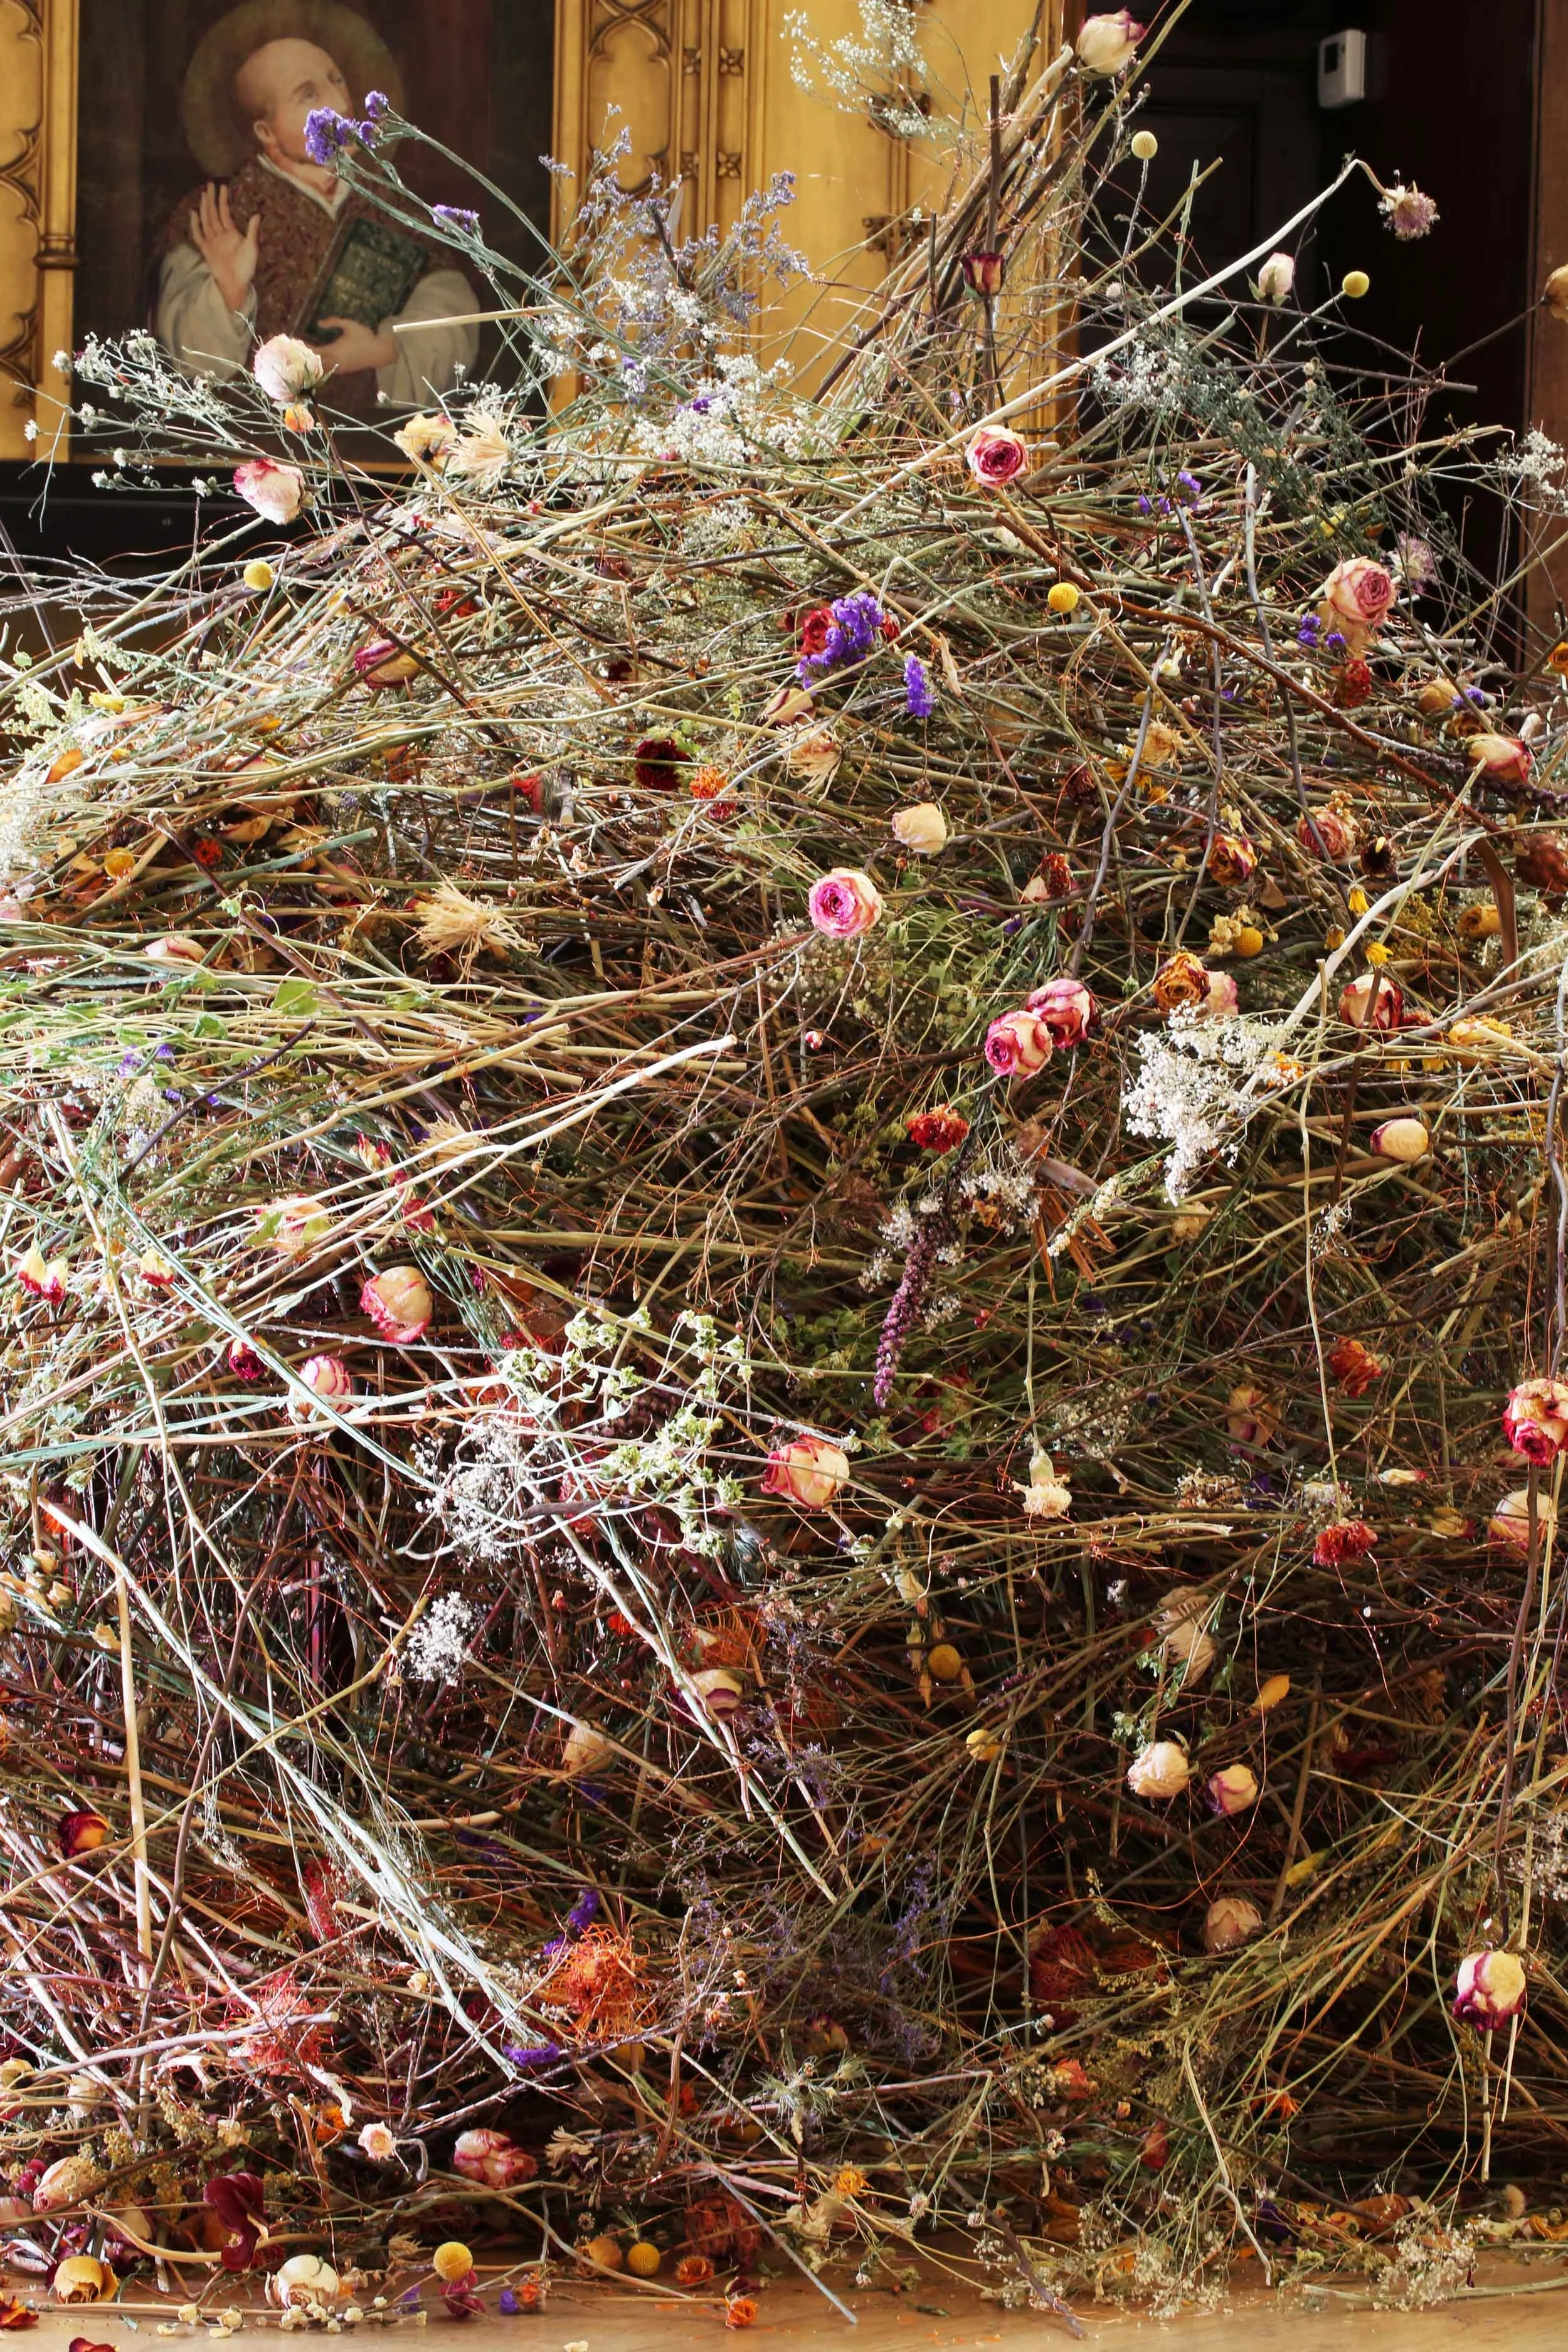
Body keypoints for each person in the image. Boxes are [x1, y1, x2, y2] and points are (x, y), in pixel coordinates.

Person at [157, 3, 478, 419]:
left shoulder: (392, 199)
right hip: (260, 446)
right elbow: (189, 364)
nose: (340, 103)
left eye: (336, 80)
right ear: (265, 132)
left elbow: (452, 304)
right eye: (309, 94)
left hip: (381, 448)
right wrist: (228, 291)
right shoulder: (216, 213)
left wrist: (385, 349)